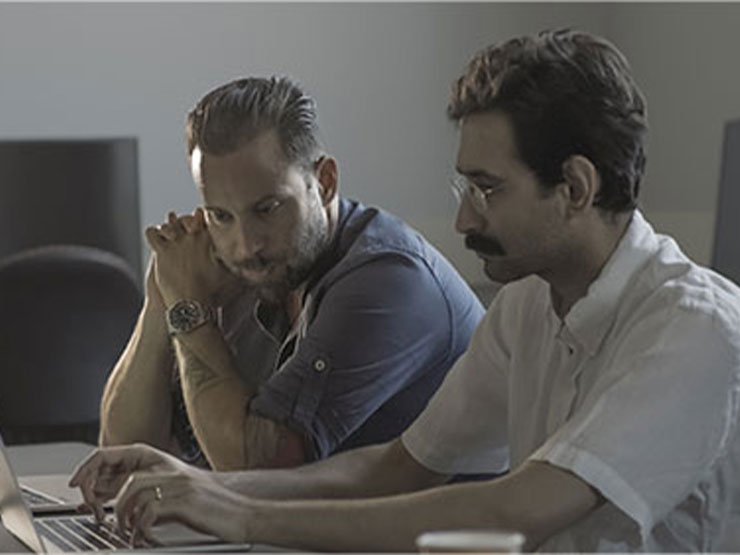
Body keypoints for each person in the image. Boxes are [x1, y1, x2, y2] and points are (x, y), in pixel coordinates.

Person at [72, 29, 740, 551]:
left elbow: (519, 509)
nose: (463, 219)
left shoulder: (693, 328)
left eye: (488, 189)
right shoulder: (527, 308)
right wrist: (198, 486)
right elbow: (394, 468)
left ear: (575, 188)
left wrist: (237, 508)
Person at [99, 76, 484, 472]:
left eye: (267, 209)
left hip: (441, 533)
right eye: (221, 216)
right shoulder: (246, 270)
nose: (246, 245)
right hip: (307, 531)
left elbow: (253, 470)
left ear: (325, 182)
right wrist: (162, 292)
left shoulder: (387, 280)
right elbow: (123, 454)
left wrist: (188, 307)